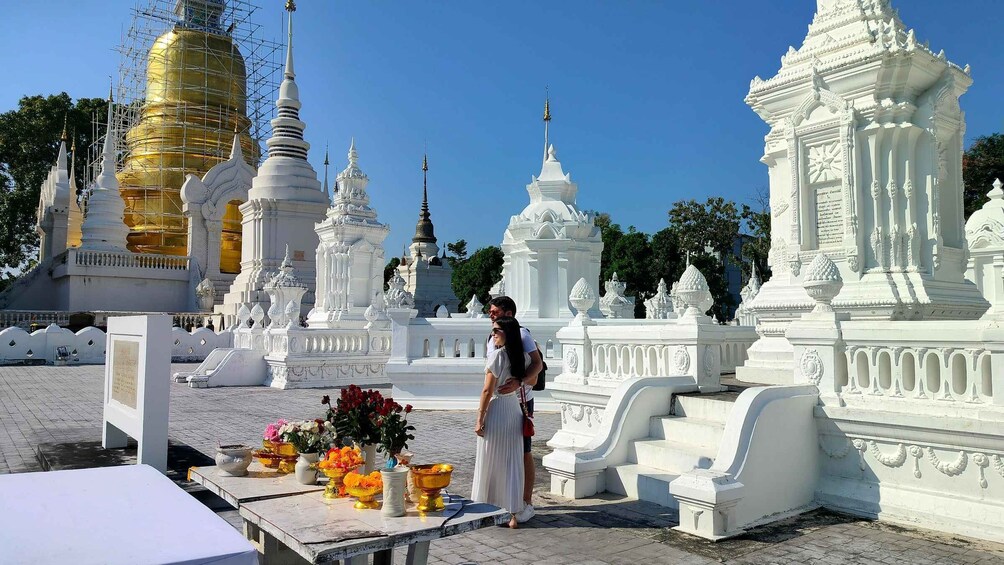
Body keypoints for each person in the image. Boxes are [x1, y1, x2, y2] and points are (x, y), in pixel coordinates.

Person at [486, 296, 543, 524]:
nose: (491, 315)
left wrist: (519, 382)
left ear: (508, 314)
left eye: (495, 312)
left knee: (524, 451)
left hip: (521, 401)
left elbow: (537, 364)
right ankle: (505, 500)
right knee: (503, 451)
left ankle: (526, 502)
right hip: (500, 404)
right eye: (490, 312)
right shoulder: (493, 338)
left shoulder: (522, 334)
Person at [471, 316, 528, 528]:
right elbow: (531, 377)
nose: (493, 334)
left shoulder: (497, 356)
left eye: (497, 330)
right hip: (512, 409)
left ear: (507, 333)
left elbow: (487, 390)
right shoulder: (520, 356)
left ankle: (486, 508)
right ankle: (512, 512)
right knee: (511, 460)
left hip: (496, 409)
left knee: (490, 458)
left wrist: (480, 418)